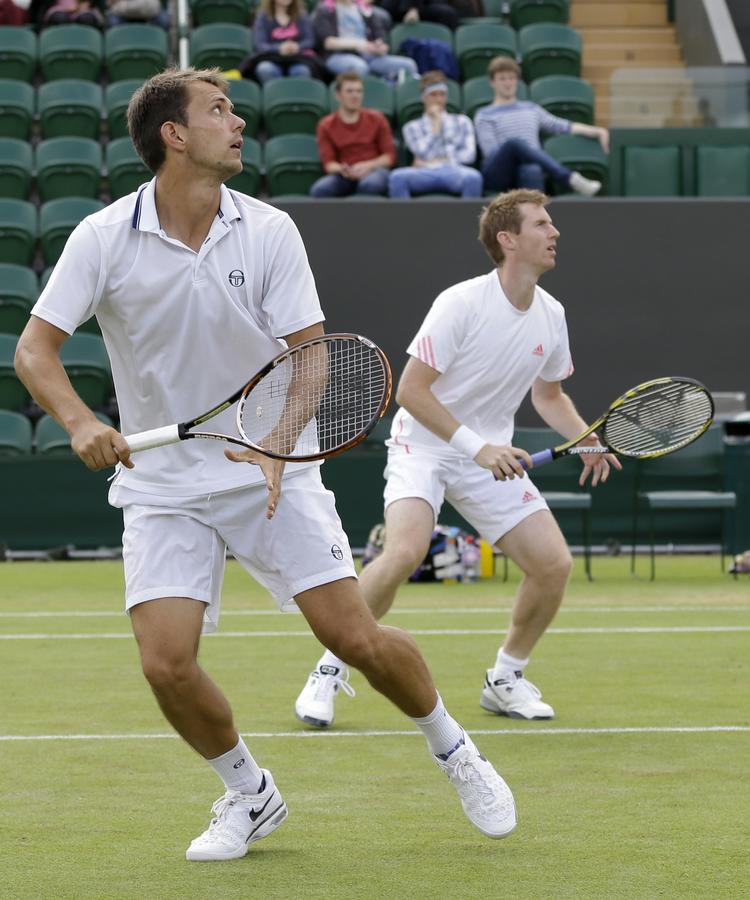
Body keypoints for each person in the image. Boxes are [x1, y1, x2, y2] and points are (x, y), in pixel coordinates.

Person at [14, 66, 518, 860]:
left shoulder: (271, 229)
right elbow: (35, 351)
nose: (239, 122)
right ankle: (250, 794)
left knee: (355, 638)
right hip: (164, 483)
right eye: (219, 111)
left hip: (267, 468)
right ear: (174, 135)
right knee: (166, 663)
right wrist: (79, 421)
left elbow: (309, 354)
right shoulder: (103, 237)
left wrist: (283, 440)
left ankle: (454, 747)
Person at [295, 188, 621, 729]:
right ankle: (330, 668)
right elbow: (412, 392)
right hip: (424, 444)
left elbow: (549, 396)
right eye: (542, 224)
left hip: (490, 458)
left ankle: (506, 679)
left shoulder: (552, 314)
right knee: (403, 552)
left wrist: (586, 438)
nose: (554, 232)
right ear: (507, 239)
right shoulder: (461, 303)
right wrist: (478, 446)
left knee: (552, 565)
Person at [475, 56, 609, 197]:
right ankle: (569, 178)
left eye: (511, 78)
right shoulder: (485, 114)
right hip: (499, 174)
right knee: (514, 144)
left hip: (528, 168)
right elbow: (491, 152)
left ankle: (538, 215)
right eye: (502, 79)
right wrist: (519, 152)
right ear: (492, 82)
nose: (508, 83)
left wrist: (598, 131)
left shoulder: (531, 108)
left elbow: (561, 126)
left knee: (532, 169)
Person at [388, 69, 482, 199]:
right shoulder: (411, 127)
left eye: (442, 94)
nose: (438, 99)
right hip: (423, 173)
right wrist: (436, 124)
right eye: (433, 95)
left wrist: (441, 161)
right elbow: (422, 153)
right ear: (424, 97)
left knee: (474, 177)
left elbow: (469, 155)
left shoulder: (462, 121)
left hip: (453, 170)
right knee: (397, 177)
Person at [311, 70, 395, 198]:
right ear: (338, 95)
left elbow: (389, 157)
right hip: (345, 175)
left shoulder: (377, 118)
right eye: (349, 91)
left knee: (370, 184)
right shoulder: (326, 125)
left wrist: (368, 165)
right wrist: (342, 169)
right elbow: (329, 164)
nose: (355, 95)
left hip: (374, 170)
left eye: (359, 91)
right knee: (320, 189)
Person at [313, 0, 418, 82]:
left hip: (369, 55)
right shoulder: (324, 10)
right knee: (360, 67)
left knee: (408, 65)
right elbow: (328, 43)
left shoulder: (365, 10)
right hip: (337, 55)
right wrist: (358, 44)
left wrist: (379, 47)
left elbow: (381, 39)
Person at [241, 0, 324, 83]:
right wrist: (280, 48)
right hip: (271, 58)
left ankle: (296, 95)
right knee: (265, 69)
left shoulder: (302, 15)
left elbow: (309, 40)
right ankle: (275, 94)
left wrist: (296, 46)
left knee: (302, 70)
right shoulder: (263, 17)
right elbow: (260, 44)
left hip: (298, 58)